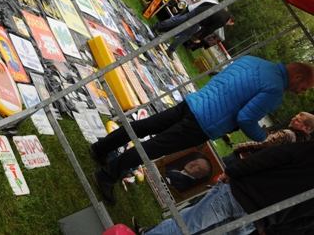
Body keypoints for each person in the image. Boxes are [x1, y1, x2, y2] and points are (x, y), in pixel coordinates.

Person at [91, 57, 314, 204]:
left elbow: (222, 78)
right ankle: (108, 174)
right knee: (152, 147)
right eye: (304, 87)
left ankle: (101, 148)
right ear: (297, 76)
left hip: (195, 101)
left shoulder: (252, 60)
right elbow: (246, 118)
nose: (301, 92)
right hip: (205, 122)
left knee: (145, 126)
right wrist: (262, 136)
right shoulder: (275, 90)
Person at [141, 140, 314, 234]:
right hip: (256, 216)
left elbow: (269, 157)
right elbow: (306, 221)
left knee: (183, 226)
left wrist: (232, 171)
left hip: (242, 199)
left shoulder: (308, 149)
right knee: (186, 224)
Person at [222, 111, 314, 168]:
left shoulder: (287, 134)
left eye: (298, 120)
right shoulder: (300, 144)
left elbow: (263, 144)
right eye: (295, 117)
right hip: (255, 165)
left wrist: (240, 147)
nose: (293, 119)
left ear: (307, 128)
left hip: (244, 157)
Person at [153, 0, 234, 53]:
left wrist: (196, 10)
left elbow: (206, 4)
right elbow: (210, 29)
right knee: (186, 35)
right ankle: (170, 50)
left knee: (177, 20)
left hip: (196, 12)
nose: (228, 25)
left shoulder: (221, 7)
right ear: (230, 21)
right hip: (199, 19)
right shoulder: (223, 21)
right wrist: (199, 38)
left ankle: (157, 26)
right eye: (229, 24)